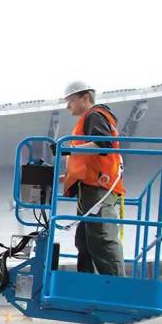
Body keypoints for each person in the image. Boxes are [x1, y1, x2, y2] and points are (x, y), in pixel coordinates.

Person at [61, 81, 124, 276]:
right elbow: (91, 156)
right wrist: (70, 175)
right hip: (90, 186)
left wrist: (68, 149)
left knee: (101, 237)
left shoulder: (95, 115)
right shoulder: (90, 118)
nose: (67, 106)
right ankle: (87, 282)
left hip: (98, 187)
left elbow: (102, 143)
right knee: (85, 239)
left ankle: (114, 286)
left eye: (70, 101)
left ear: (85, 97)